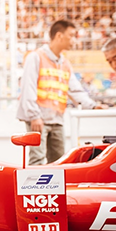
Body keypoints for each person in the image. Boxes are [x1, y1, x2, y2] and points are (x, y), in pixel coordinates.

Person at [17, 20, 105, 165]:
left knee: (59, 162)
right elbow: (28, 88)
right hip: (38, 120)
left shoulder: (65, 64)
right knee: (37, 160)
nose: (74, 40)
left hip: (57, 120)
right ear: (59, 36)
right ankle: (33, 188)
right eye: (71, 35)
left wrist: (93, 106)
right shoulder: (36, 57)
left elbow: (75, 90)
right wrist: (34, 116)